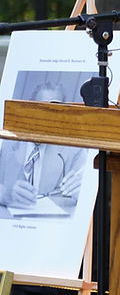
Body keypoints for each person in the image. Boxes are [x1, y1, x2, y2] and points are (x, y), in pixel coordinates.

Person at [0, 81, 86, 216]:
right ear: (29, 110)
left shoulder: (75, 151)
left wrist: (82, 193)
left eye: (53, 110)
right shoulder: (5, 142)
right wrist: (4, 193)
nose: (46, 115)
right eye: (41, 107)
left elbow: (84, 194)